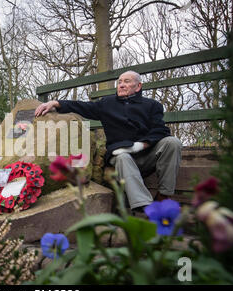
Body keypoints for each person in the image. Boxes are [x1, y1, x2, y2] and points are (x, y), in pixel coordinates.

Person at [34, 70, 182, 215]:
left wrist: (139, 146)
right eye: (120, 82)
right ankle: (146, 206)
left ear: (138, 86)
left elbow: (161, 131)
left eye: (127, 81)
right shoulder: (107, 103)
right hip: (119, 156)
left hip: (146, 154)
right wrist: (56, 103)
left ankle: (164, 196)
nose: (122, 85)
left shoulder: (152, 105)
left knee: (172, 142)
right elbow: (82, 106)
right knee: (123, 157)